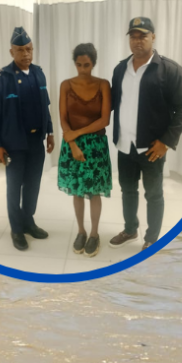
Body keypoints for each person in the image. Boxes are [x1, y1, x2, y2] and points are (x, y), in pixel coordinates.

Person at [108, 17, 182, 251]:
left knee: (153, 194)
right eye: (133, 36)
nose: (138, 41)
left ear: (153, 37)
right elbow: (113, 103)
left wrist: (166, 142)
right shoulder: (120, 69)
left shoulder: (169, 69)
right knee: (127, 190)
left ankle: (152, 237)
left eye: (143, 36)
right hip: (125, 145)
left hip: (152, 148)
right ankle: (130, 229)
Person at [0, 27, 55, 251]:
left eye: (29, 49)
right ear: (11, 52)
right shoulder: (1, 78)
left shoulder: (39, 73)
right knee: (14, 187)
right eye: (20, 50)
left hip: (36, 142)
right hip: (13, 144)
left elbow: (46, 105)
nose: (26, 54)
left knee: (33, 185)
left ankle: (28, 221)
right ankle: (16, 229)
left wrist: (50, 131)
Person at [58, 43, 113, 257]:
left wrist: (77, 134)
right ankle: (80, 231)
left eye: (87, 65)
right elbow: (63, 118)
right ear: (75, 64)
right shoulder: (66, 85)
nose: (83, 69)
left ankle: (94, 233)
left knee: (94, 191)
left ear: (94, 63)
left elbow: (104, 120)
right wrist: (72, 143)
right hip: (71, 144)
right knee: (77, 191)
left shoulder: (103, 85)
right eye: (79, 65)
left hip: (96, 145)